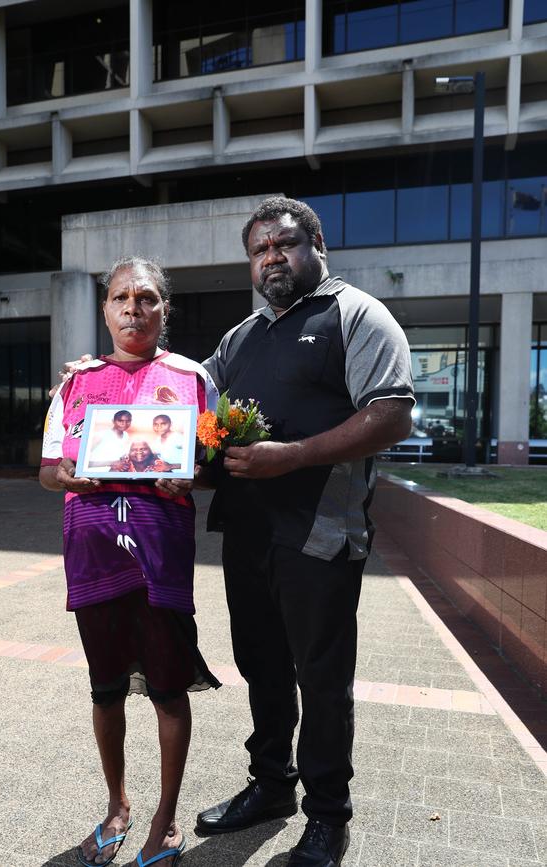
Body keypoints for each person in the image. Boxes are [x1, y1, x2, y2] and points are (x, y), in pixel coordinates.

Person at [194, 196, 414, 867]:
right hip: (248, 532)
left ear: (316, 243)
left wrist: (288, 456)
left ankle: (327, 816)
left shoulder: (355, 314)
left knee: (320, 678)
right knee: (261, 665)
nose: (272, 259)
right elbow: (189, 400)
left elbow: (392, 413)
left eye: (284, 245)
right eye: (259, 250)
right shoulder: (243, 337)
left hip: (320, 534)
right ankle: (270, 785)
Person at [39, 257, 221, 867]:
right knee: (106, 688)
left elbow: (211, 464)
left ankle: (165, 821)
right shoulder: (75, 384)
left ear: (165, 309)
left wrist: (190, 479)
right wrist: (65, 473)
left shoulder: (193, 380)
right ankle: (117, 805)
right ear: (105, 309)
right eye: (121, 298)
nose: (133, 309)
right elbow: (46, 471)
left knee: (169, 690)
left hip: (160, 559)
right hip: (91, 557)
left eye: (146, 298)